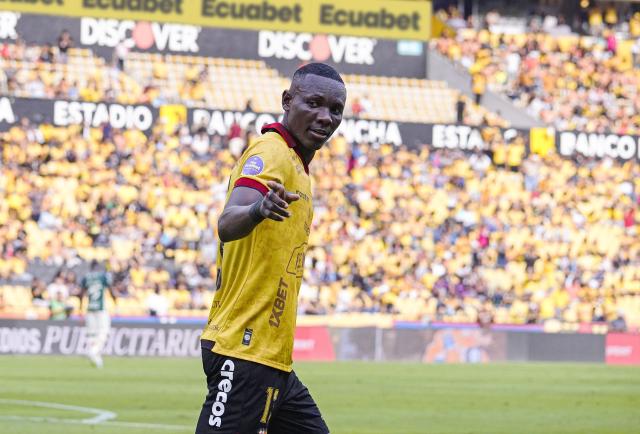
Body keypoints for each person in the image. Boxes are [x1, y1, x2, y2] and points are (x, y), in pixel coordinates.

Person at [196, 63, 346, 434]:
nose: (325, 117)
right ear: (287, 101)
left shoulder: (297, 165)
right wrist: (257, 209)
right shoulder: (272, 152)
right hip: (242, 350)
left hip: (272, 357)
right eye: (314, 103)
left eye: (335, 109)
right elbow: (227, 223)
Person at [80, 260, 116, 368]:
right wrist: (115, 300)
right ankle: (94, 351)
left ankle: (96, 358)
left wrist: (80, 308)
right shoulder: (102, 276)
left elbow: (81, 293)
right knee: (104, 332)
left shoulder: (86, 277)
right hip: (100, 309)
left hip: (90, 308)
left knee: (92, 334)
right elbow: (110, 288)